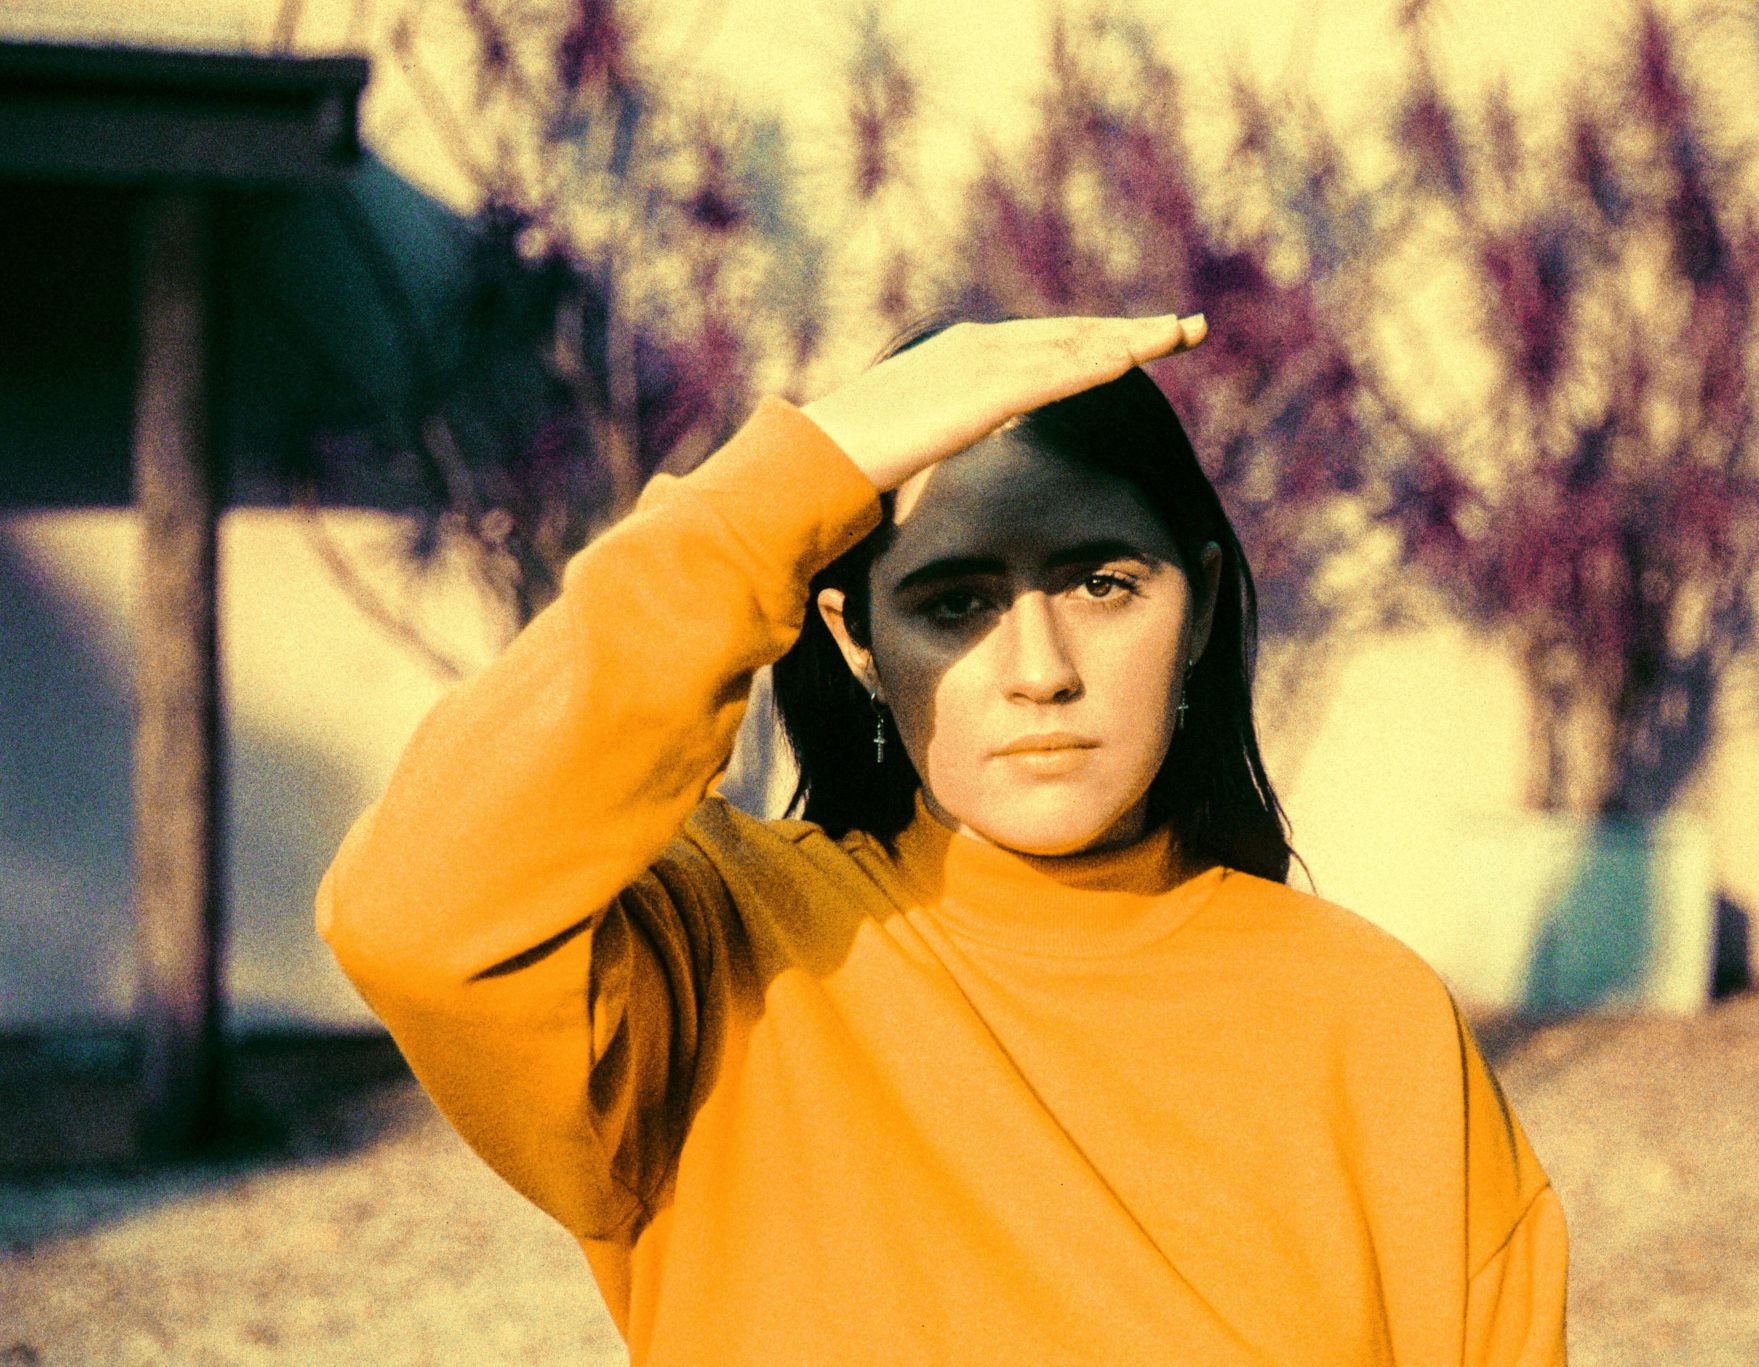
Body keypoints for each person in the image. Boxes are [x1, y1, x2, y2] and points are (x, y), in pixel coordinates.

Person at [316, 312, 1569, 1364]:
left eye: (1102, 583)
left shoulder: (1373, 1020)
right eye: (954, 601)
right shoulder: (718, 958)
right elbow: (413, 912)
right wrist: (804, 470)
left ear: (1193, 608)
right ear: (856, 640)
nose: (1039, 668)